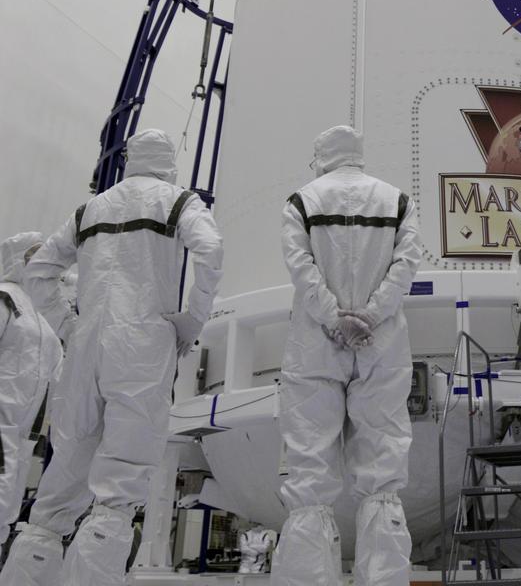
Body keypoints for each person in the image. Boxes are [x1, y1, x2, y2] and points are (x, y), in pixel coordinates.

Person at [0, 129, 223, 586]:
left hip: (86, 348)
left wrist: (68, 325)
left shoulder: (89, 210)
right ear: (167, 161)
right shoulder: (179, 202)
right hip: (142, 345)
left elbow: (41, 269)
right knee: (118, 488)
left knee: (61, 483)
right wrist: (191, 320)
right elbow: (210, 250)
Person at [270, 125, 423, 586]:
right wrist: (370, 316)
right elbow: (406, 266)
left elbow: (301, 267)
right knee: (382, 476)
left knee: (309, 473)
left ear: (322, 156)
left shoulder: (302, 201)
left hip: (315, 346)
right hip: (381, 345)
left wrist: (334, 317)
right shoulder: (397, 201)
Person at [0, 234, 63, 559]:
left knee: (8, 502)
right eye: (32, 256)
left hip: (24, 435)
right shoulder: (5, 300)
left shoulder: (41, 318)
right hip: (2, 421)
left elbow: (59, 376)